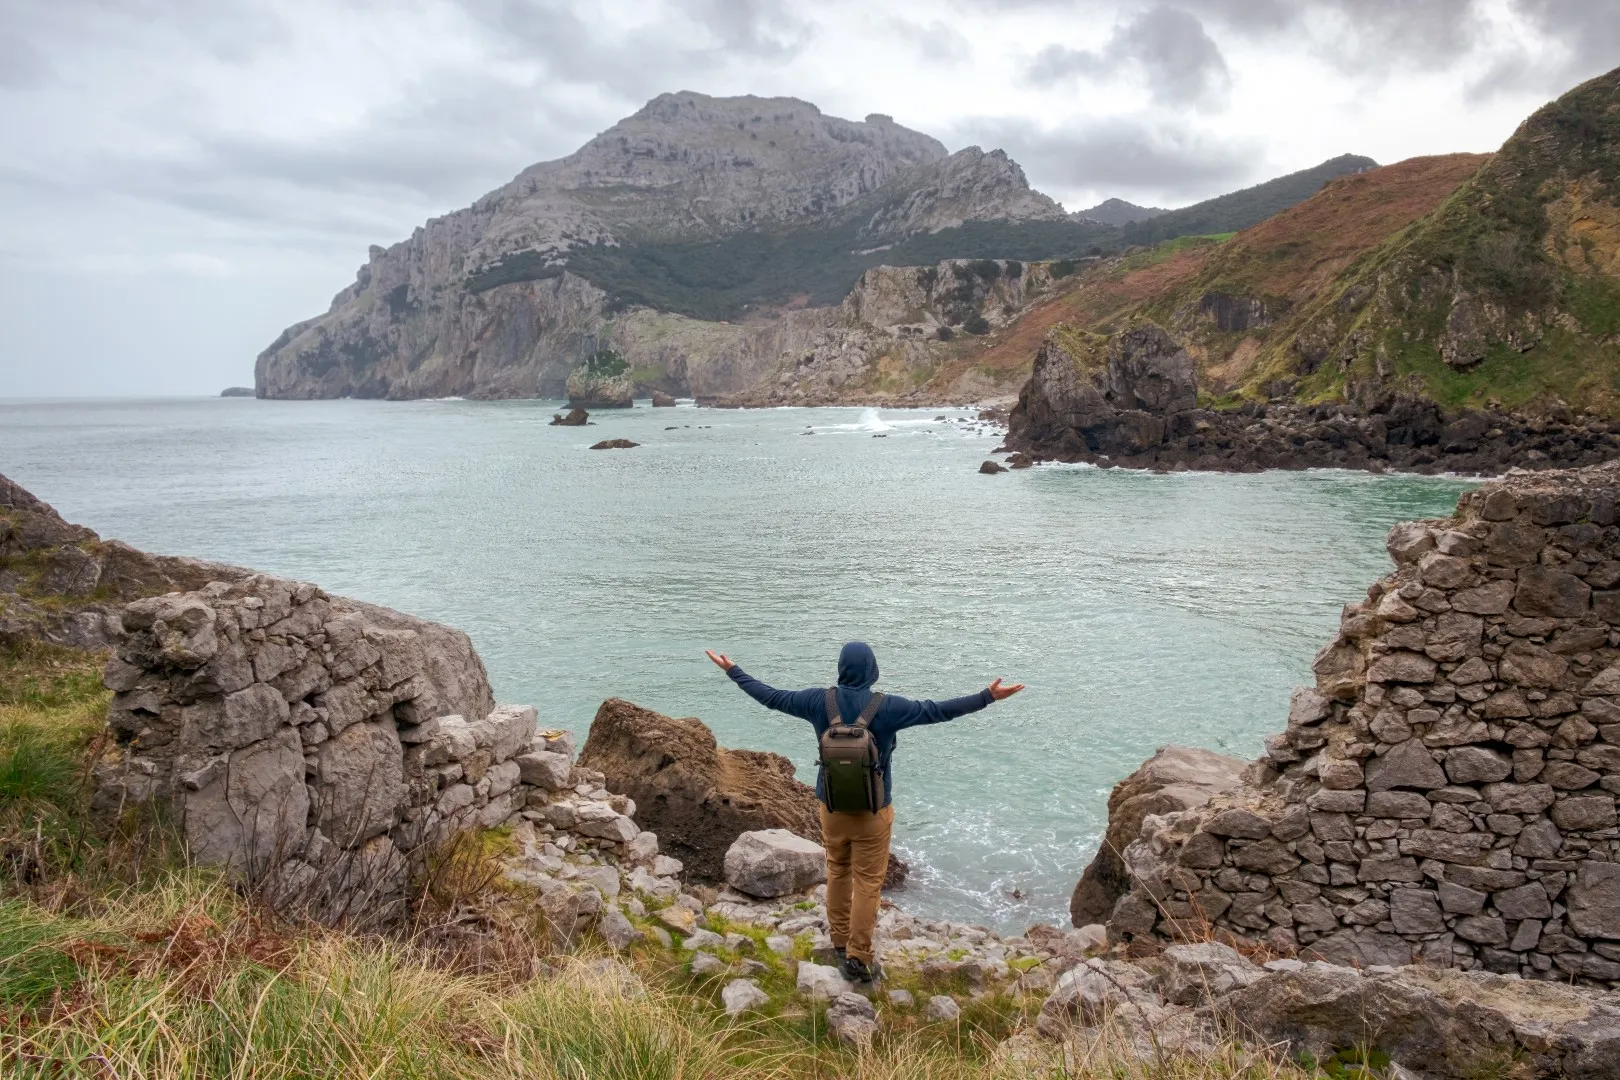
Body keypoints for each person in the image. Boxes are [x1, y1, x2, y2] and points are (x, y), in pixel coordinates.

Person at [705, 641, 1023, 983]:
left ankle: (839, 942)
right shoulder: (887, 707)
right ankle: (859, 956)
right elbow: (937, 710)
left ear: (841, 667)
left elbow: (771, 697)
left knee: (838, 871)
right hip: (873, 813)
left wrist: (733, 671)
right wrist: (987, 696)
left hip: (832, 808)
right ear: (872, 670)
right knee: (868, 883)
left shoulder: (818, 701)